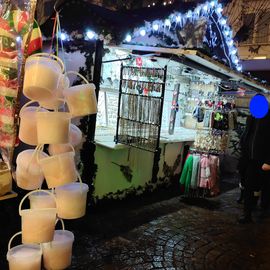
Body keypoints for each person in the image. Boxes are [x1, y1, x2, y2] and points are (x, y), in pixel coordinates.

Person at [238, 109, 270, 223]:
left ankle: (264, 208)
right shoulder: (251, 118)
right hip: (250, 159)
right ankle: (247, 214)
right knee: (249, 186)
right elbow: (247, 135)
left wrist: (268, 161)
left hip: (263, 161)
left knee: (265, 187)